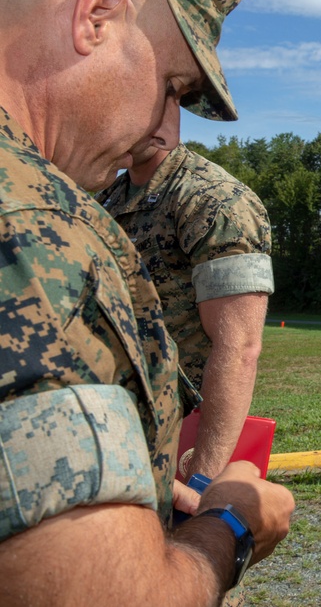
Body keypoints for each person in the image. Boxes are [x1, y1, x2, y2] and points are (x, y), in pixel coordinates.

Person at [0, 0, 294, 604]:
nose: (156, 122)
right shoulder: (35, 230)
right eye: (170, 84)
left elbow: (239, 342)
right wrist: (228, 521)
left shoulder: (208, 200)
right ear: (96, 14)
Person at [97, 142, 273, 480]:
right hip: (122, 429)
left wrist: (202, 480)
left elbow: (239, 350)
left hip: (183, 432)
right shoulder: (109, 197)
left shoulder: (216, 200)